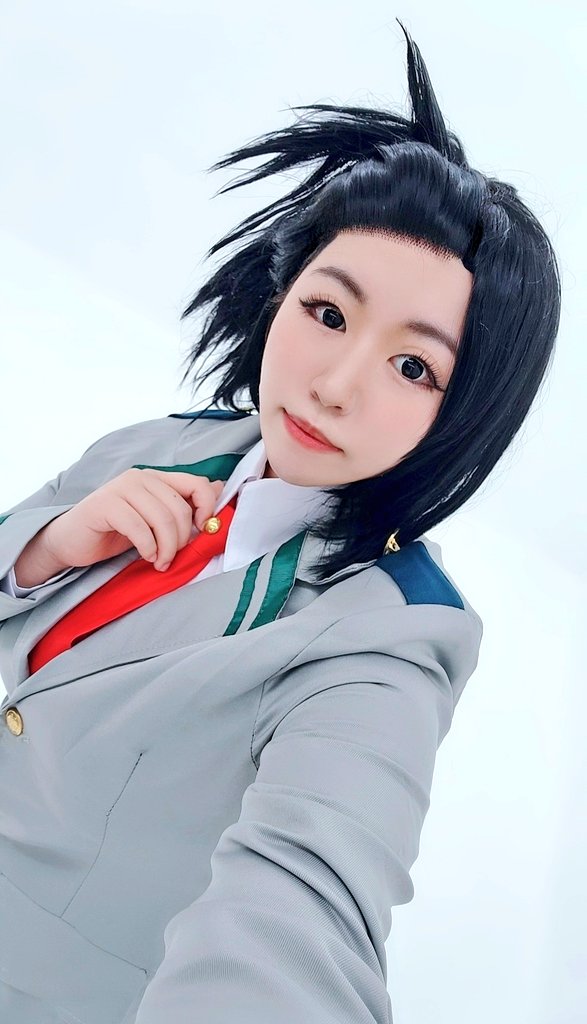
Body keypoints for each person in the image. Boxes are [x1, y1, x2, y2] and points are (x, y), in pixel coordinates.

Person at [0, 20, 560, 1024]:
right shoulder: (162, 442)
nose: (335, 384)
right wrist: (45, 551)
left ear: (462, 410)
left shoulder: (389, 640)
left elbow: (310, 899)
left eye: (412, 366)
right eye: (328, 313)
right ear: (281, 294)